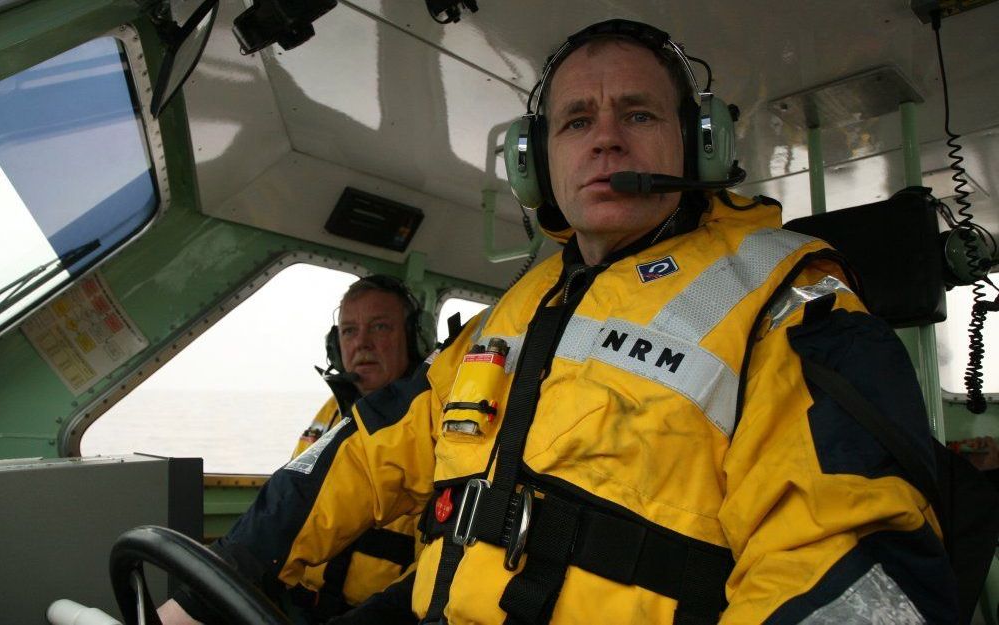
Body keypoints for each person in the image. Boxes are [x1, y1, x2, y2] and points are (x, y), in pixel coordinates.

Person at [163, 19, 959, 624]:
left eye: (638, 114)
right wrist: (228, 569)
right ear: (535, 161)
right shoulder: (509, 313)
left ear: (701, 143)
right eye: (577, 121)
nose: (606, 136)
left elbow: (848, 559)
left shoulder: (787, 303)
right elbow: (368, 452)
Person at [159, 274, 430, 624]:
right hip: (298, 607)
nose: (362, 343)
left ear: (412, 338)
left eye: (379, 327)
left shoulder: (434, 426)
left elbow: (436, 567)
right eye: (348, 331)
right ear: (335, 344)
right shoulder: (328, 415)